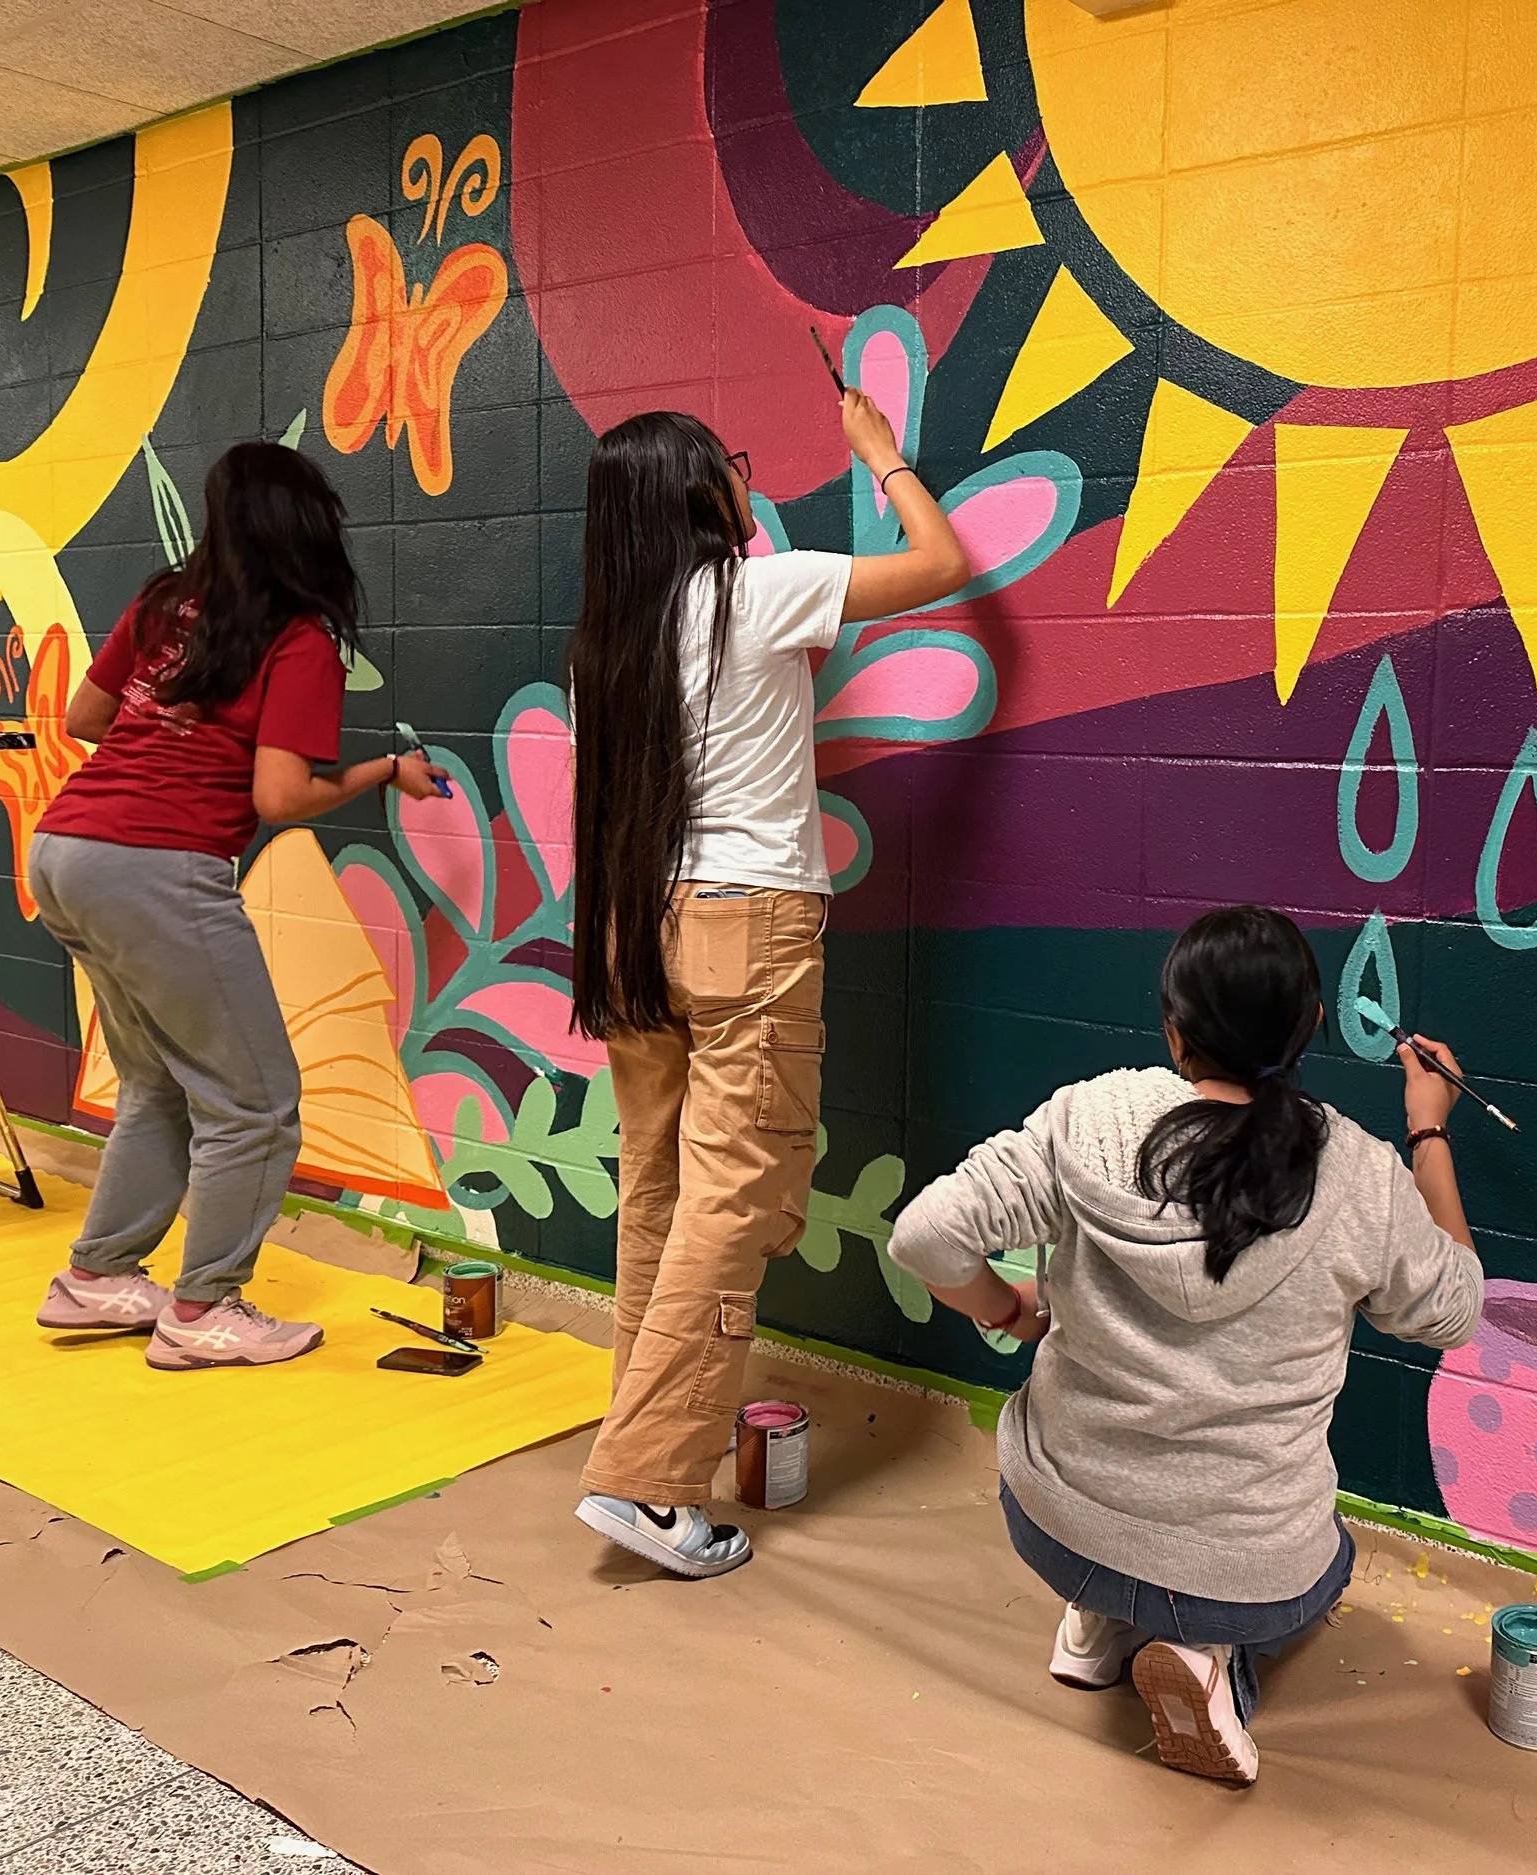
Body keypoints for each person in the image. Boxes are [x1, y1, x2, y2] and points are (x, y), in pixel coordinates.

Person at [890, 904, 1484, 1786]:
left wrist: (1009, 1310)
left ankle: (1095, 1621)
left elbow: (925, 1236)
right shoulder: (1360, 1173)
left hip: (1057, 1522)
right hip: (1242, 1569)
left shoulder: (1092, 1116)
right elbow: (1455, 1309)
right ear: (1314, 1025)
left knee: (1129, 1531)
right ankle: (1210, 1662)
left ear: (1174, 1031)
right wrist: (1428, 1128)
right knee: (1328, 1562)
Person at [565, 396, 969, 1578]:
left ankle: (637, 1441)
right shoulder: (756, 591)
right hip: (749, 923)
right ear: (700, 495)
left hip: (636, 929)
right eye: (731, 467)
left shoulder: (603, 644)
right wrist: (881, 457)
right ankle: (647, 1483)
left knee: (658, 1191)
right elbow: (940, 566)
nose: (747, 482)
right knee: (732, 1197)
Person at [30, 441, 446, 1368]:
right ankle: (203, 1307)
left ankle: (98, 1276)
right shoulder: (298, 639)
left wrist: (169, 732)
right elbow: (280, 797)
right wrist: (385, 770)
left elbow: (85, 720)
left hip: (65, 851)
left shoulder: (165, 602)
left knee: (157, 1084)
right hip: (157, 867)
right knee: (256, 1103)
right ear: (306, 527)